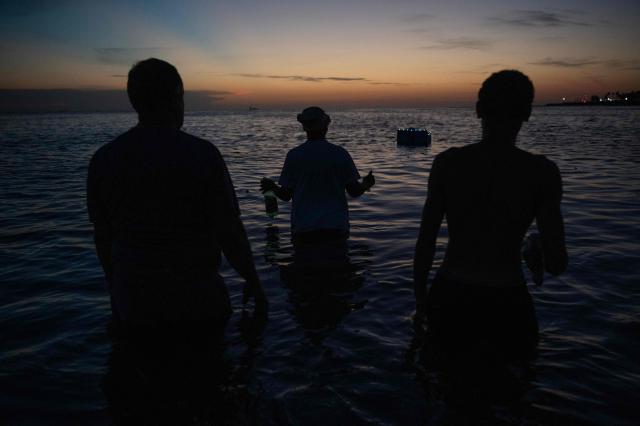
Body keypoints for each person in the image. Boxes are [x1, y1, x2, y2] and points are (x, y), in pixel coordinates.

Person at [87, 58, 266, 336]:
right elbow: (228, 230)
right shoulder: (202, 155)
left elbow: (103, 235)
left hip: (134, 303)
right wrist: (254, 282)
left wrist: (115, 289)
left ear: (135, 101)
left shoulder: (104, 159)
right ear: (175, 98)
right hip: (196, 301)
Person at [413, 70, 568, 357]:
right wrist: (534, 247)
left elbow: (425, 245)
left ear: (478, 110)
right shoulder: (542, 173)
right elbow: (557, 264)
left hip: (451, 295)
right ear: (528, 114)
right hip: (509, 301)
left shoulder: (448, 164)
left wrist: (421, 305)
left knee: (446, 390)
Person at [260, 106, 375, 250]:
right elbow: (354, 191)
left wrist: (273, 188)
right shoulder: (340, 154)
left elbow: (286, 195)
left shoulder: (294, 155)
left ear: (304, 128)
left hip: (304, 228)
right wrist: (366, 183)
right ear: (326, 127)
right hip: (335, 227)